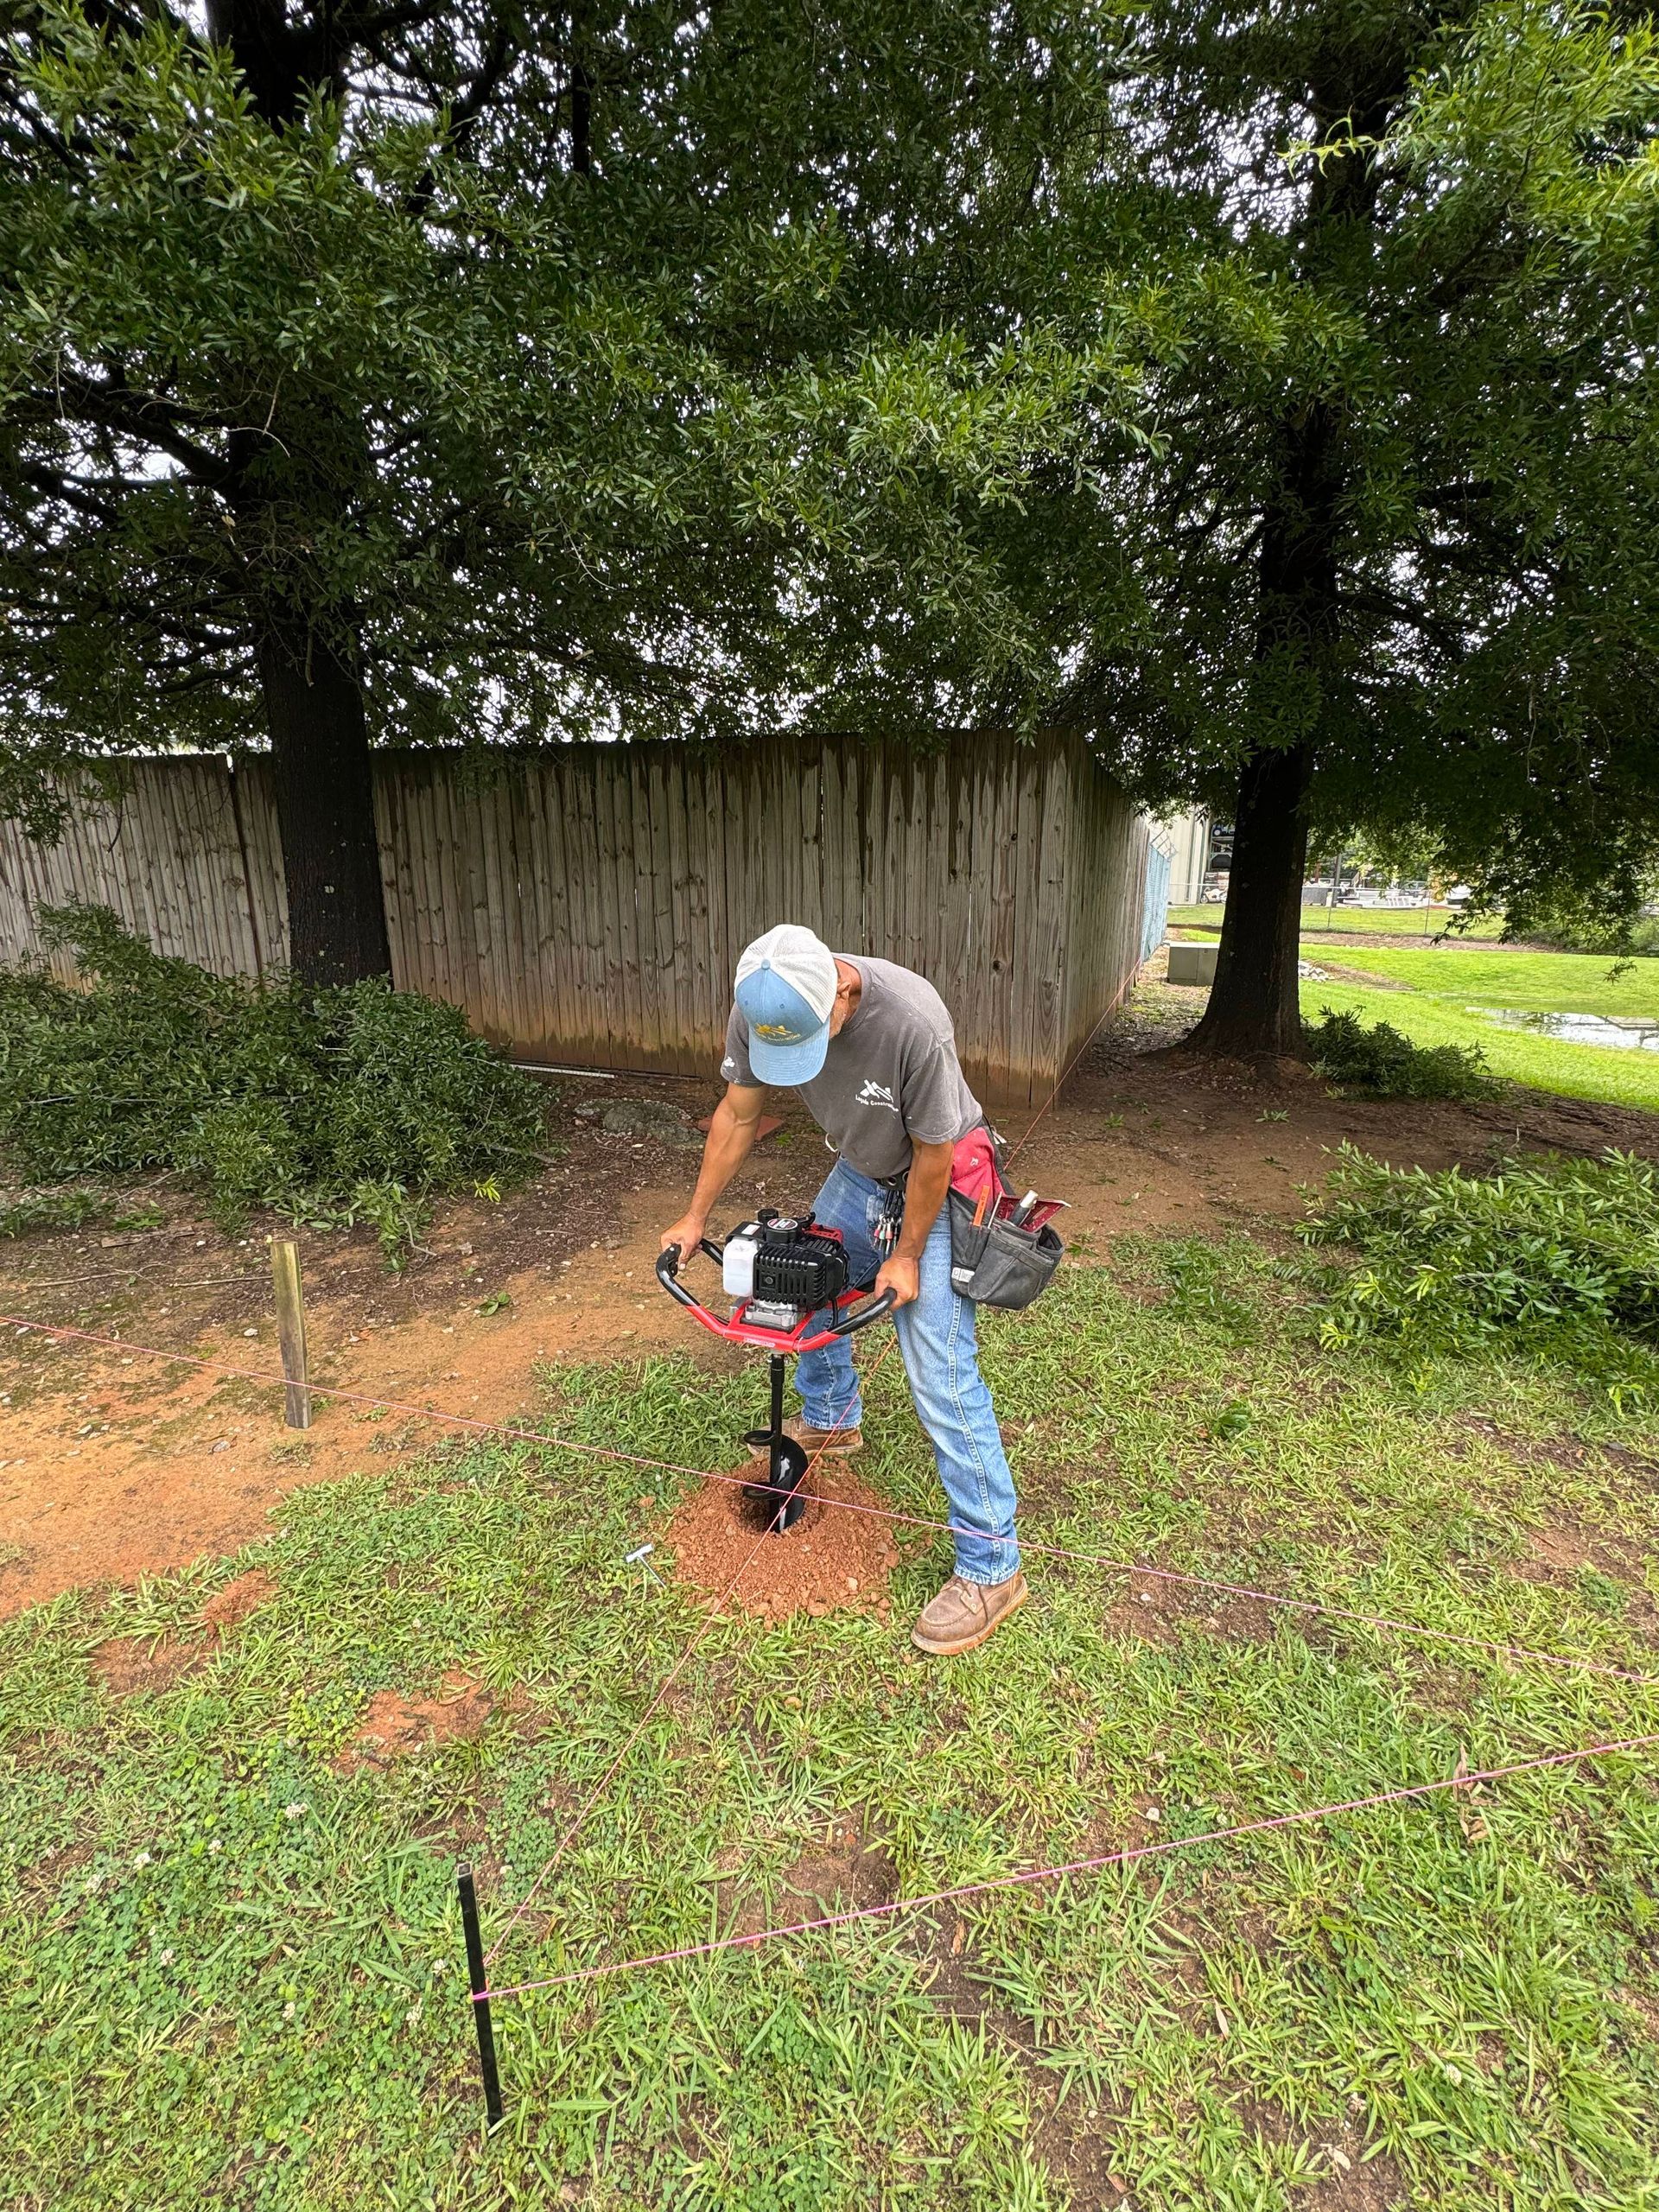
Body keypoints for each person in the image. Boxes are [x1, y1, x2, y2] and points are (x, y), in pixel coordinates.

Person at [662, 922, 1027, 1656]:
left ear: (844, 988)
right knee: (807, 1280)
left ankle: (993, 1569)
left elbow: (934, 1154)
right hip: (862, 1170)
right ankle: (832, 1416)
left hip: (941, 1178)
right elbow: (737, 1114)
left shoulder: (912, 1020)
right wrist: (694, 1216)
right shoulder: (759, 999)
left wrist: (908, 1256)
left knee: (941, 1372)